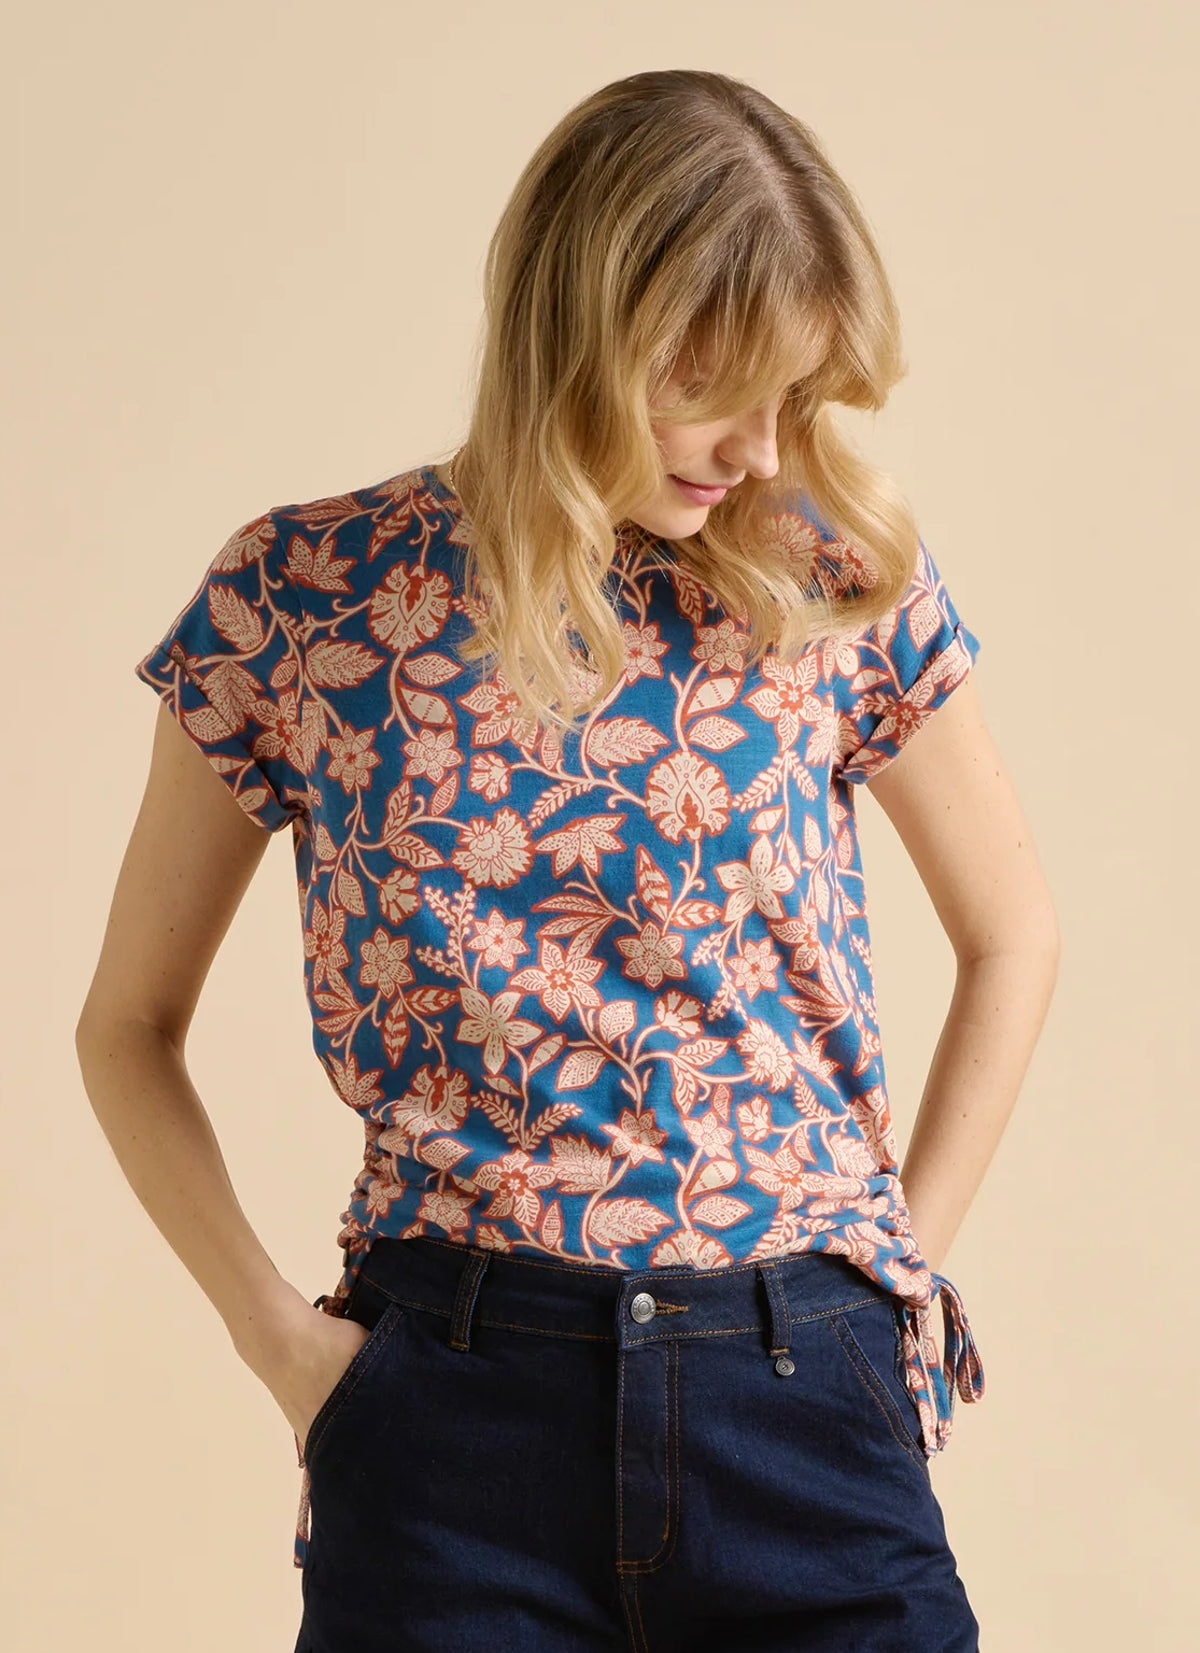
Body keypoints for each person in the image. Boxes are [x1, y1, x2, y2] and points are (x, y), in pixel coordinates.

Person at [76, 67, 1059, 1653]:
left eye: (791, 394)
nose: (752, 445)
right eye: (709, 378)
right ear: (576, 324)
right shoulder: (311, 599)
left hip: (802, 1392)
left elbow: (1014, 934)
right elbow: (125, 1027)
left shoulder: (829, 572)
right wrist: (285, 1351)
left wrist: (895, 1291)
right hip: (452, 1421)